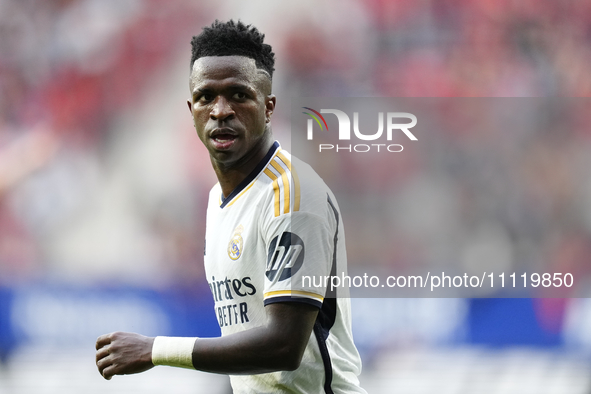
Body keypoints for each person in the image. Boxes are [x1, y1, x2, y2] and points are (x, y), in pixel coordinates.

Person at [95, 20, 366, 394]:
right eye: (206, 97)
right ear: (191, 110)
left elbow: (285, 345)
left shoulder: (294, 197)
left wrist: (155, 349)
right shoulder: (216, 201)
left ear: (268, 106)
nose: (220, 110)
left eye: (238, 95)